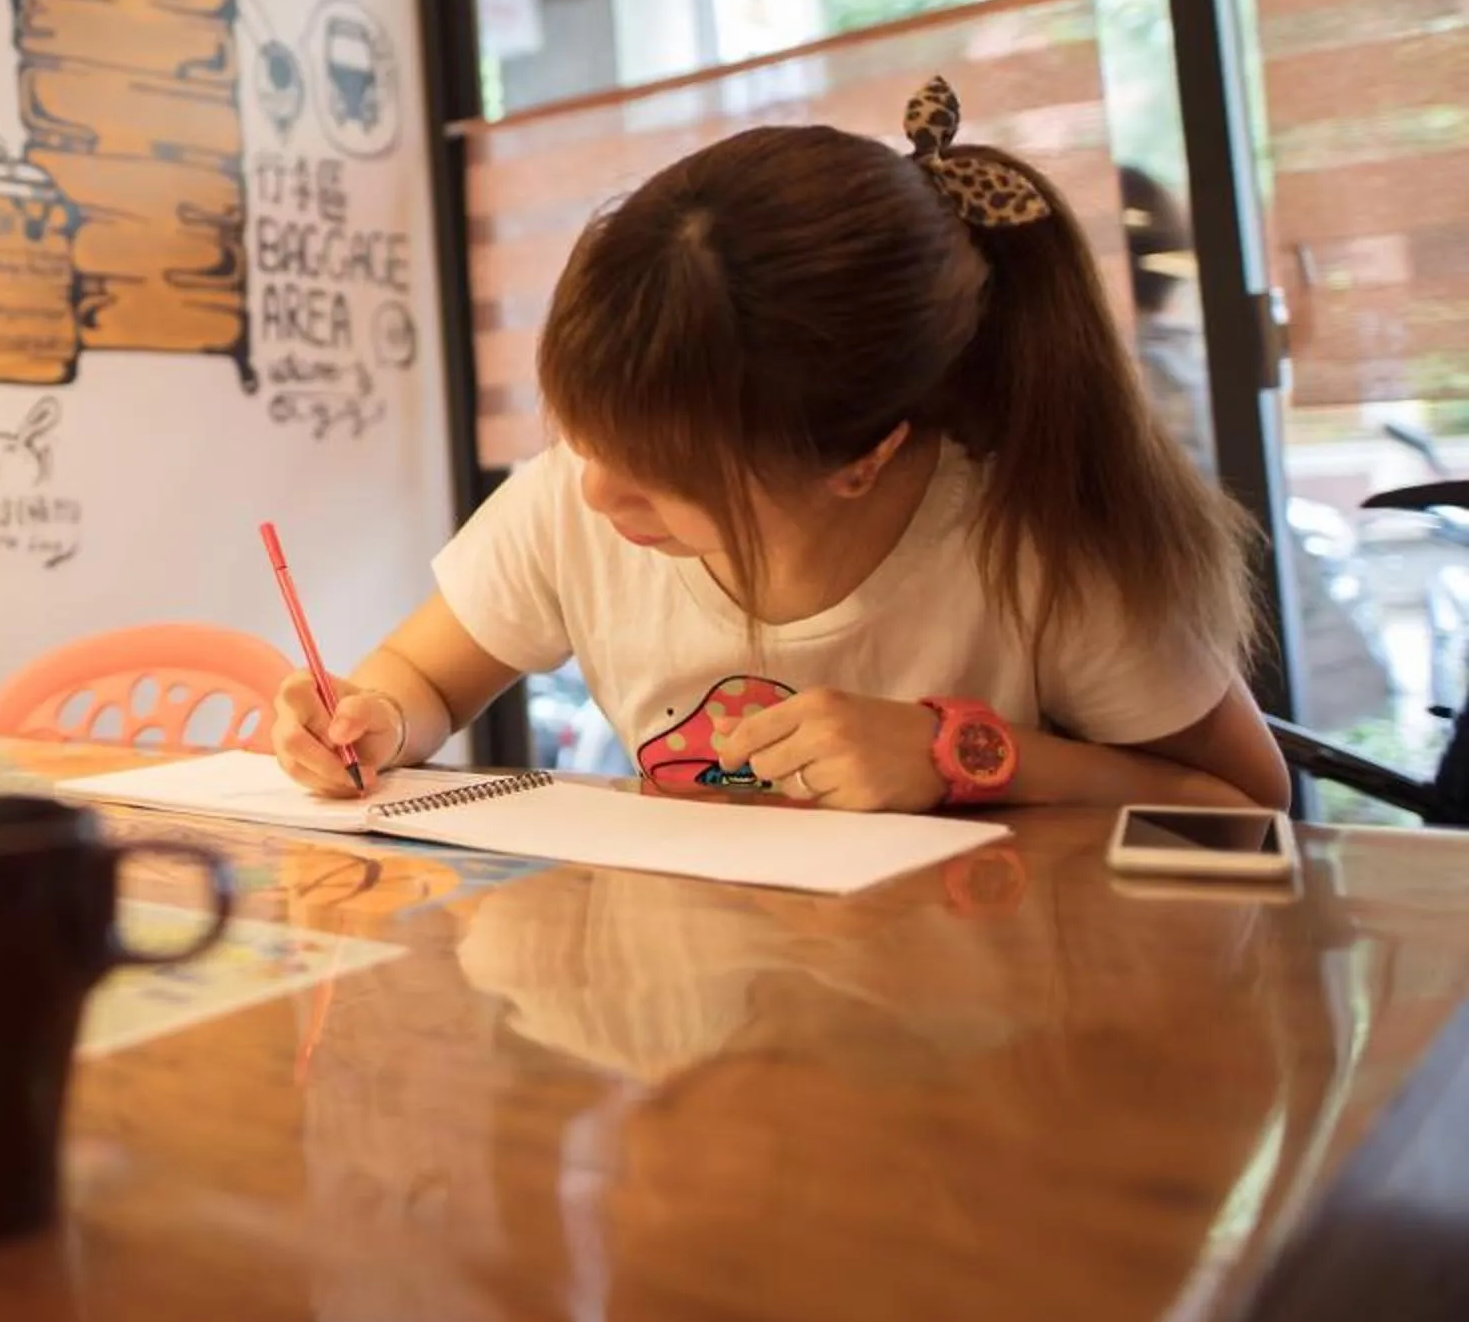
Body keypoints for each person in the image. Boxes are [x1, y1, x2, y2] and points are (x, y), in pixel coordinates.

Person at [274, 77, 1290, 817]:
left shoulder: (1028, 548)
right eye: (584, 435)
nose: (597, 494)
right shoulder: (572, 507)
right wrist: (375, 718)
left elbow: (1245, 805)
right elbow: (423, 676)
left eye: (669, 480)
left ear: (864, 459)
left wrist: (962, 754)